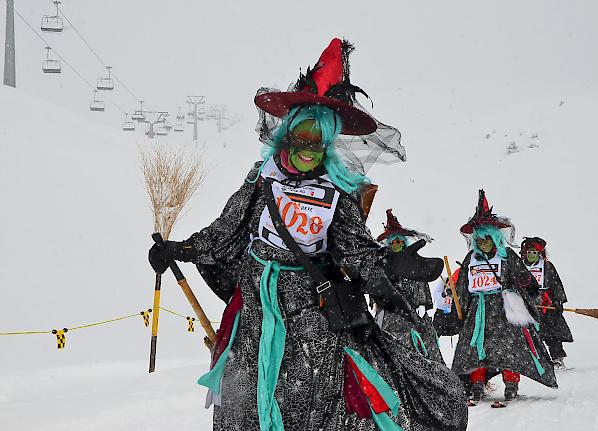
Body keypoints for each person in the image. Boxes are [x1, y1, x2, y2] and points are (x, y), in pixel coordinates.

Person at [149, 38, 467, 431]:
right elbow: (225, 233)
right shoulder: (261, 183)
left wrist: (388, 262)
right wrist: (180, 249)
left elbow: (355, 250)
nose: (307, 150)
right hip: (257, 307)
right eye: (300, 139)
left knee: (308, 395)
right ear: (285, 136)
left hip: (311, 308)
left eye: (317, 144)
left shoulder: (337, 192)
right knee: (247, 392)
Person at [451, 190, 557, 405]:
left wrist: (526, 282)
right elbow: (462, 286)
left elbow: (526, 282)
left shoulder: (508, 256)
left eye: (487, 239)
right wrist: (455, 310)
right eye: (479, 240)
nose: (483, 243)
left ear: (495, 238)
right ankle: (477, 382)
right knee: (475, 346)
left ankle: (511, 382)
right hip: (478, 310)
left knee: (510, 346)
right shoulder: (470, 259)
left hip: (504, 308)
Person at [374, 209, 444, 364]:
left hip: (414, 313)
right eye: (393, 242)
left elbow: (421, 281)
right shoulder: (382, 264)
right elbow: (376, 287)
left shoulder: (412, 261)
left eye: (399, 241)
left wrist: (422, 303)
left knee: (423, 346)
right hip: (391, 315)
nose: (396, 244)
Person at [520, 237, 573, 369]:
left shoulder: (547, 267)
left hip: (546, 307)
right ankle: (531, 362)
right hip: (526, 307)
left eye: (534, 252)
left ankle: (557, 360)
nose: (532, 255)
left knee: (552, 335)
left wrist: (558, 301)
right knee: (528, 335)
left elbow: (556, 285)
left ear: (540, 253)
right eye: (529, 252)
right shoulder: (519, 267)